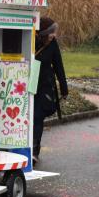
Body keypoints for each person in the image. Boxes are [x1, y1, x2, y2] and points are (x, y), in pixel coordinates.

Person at [33, 17, 68, 163]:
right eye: (52, 32)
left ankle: (34, 150)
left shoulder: (53, 44)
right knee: (28, 117)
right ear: (44, 32)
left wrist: (63, 88)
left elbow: (58, 65)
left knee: (38, 116)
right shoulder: (31, 41)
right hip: (28, 83)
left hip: (45, 85)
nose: (54, 35)